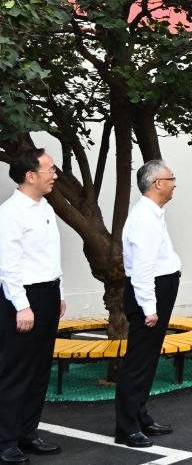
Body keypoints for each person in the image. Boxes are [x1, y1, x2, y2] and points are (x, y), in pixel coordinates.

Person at [0, 149, 64, 462]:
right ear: (30, 176)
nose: (55, 174)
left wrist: (59, 292)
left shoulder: (45, 207)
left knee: (39, 369)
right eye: (49, 169)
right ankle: (5, 442)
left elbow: (49, 256)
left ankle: (28, 433)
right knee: (16, 372)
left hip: (48, 295)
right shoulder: (11, 213)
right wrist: (22, 306)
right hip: (23, 299)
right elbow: (7, 266)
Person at [115, 159, 183, 448]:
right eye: (171, 178)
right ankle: (127, 427)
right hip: (149, 293)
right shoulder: (144, 217)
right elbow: (142, 268)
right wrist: (149, 308)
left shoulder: (154, 213)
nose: (174, 184)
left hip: (158, 289)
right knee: (138, 361)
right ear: (158, 184)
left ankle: (139, 415)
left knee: (148, 358)